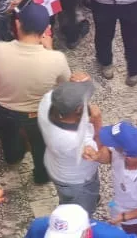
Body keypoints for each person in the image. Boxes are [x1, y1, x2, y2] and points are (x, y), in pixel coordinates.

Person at [0, 1, 71, 186]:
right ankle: (41, 176)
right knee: (41, 146)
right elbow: (65, 84)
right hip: (38, 113)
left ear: (18, 24)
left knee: (9, 138)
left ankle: (13, 158)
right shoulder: (56, 59)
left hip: (4, 110)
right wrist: (50, 48)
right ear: (46, 29)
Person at [36, 79, 101, 210]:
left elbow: (61, 93)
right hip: (77, 182)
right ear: (79, 109)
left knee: (66, 198)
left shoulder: (48, 100)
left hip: (57, 167)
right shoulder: (73, 140)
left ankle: (68, 203)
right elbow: (100, 154)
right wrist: (98, 121)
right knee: (80, 211)